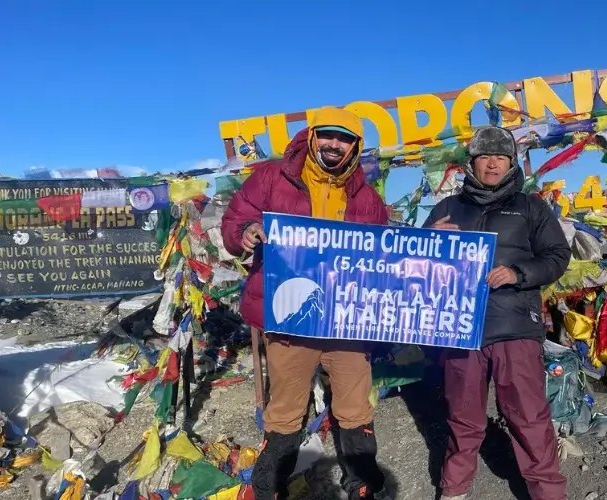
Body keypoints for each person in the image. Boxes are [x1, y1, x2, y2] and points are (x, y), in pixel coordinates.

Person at [222, 107, 391, 500]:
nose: (335, 144)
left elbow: (386, 255)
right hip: (291, 316)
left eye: (345, 138)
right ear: (313, 136)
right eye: (328, 135)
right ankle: (270, 487)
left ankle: (362, 483)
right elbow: (234, 221)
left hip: (346, 320)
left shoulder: (367, 197)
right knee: (285, 408)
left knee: (355, 407)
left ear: (356, 145)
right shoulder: (270, 176)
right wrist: (245, 232)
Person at [423, 126, 572, 500]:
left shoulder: (531, 207)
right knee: (463, 414)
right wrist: (429, 242)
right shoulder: (446, 208)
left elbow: (557, 257)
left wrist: (519, 274)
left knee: (528, 415)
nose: (492, 164)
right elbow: (417, 266)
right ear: (471, 162)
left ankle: (547, 492)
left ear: (511, 163)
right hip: (460, 328)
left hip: (515, 327)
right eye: (484, 156)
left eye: (500, 157)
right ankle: (455, 487)